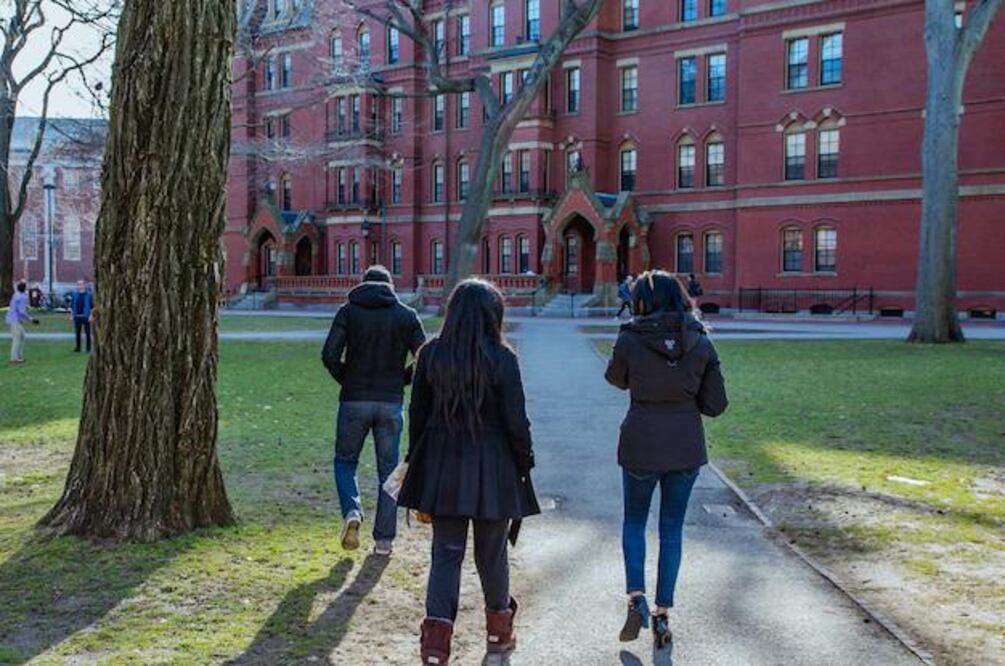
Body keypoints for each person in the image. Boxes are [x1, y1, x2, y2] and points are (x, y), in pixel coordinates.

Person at [398, 279, 539, 666]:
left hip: (444, 464)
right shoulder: (502, 358)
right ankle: (498, 635)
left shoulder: (431, 355)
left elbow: (419, 416)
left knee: (446, 554)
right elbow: (516, 422)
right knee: (492, 554)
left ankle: (435, 650)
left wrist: (416, 461)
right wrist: (524, 463)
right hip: (493, 466)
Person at [604, 270, 728, 650]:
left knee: (634, 522)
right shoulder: (701, 341)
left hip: (641, 439)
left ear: (641, 300)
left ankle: (635, 597)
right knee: (671, 528)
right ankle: (661, 613)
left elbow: (615, 378)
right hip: (685, 445)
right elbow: (716, 404)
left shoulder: (630, 338)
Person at [321, 265, 426, 556]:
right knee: (388, 471)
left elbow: (329, 355)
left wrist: (348, 379)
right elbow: (425, 356)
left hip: (354, 399)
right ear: (391, 286)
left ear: (363, 284)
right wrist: (402, 379)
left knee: (345, 462)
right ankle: (384, 541)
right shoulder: (406, 315)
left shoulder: (348, 311)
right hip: (390, 401)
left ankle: (352, 512)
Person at [6, 281, 40, 364]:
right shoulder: (22, 297)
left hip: (12, 318)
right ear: (24, 289)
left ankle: (18, 356)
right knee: (17, 338)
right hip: (15, 320)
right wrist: (31, 319)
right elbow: (22, 312)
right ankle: (14, 358)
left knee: (21, 336)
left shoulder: (16, 294)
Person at [69, 280, 94, 353]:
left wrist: (91, 315)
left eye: (81, 284)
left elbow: (92, 306)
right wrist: (72, 315)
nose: (80, 286)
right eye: (78, 284)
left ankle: (88, 348)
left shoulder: (89, 295)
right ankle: (78, 347)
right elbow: (72, 306)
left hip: (86, 316)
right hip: (77, 316)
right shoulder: (75, 294)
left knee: (87, 333)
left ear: (84, 285)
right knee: (77, 333)